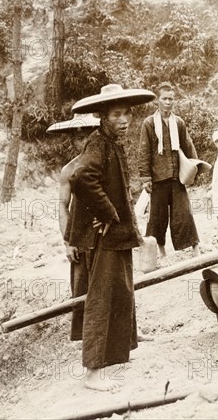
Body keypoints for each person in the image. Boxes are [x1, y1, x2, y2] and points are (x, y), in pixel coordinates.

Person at [67, 83, 156, 391]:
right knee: (101, 298)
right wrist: (107, 213)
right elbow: (82, 177)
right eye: (117, 114)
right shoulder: (97, 143)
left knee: (122, 285)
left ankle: (125, 342)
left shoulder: (111, 142)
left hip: (116, 232)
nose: (124, 120)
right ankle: (92, 371)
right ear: (102, 116)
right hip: (102, 234)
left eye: (127, 114)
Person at [46, 112, 99, 341]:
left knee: (116, 283)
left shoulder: (107, 163)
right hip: (80, 234)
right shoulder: (69, 170)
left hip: (106, 232)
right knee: (82, 285)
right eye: (78, 137)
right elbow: (62, 204)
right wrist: (68, 241)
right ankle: (86, 335)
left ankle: (128, 331)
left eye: (87, 135)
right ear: (72, 140)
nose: (83, 141)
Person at [138, 82, 200, 258]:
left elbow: (188, 145)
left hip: (176, 178)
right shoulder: (149, 123)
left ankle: (195, 248)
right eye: (164, 98)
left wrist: (195, 168)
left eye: (171, 99)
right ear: (157, 100)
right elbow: (144, 151)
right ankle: (161, 251)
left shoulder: (178, 122)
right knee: (157, 217)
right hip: (157, 179)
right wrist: (145, 178)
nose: (168, 102)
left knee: (184, 213)